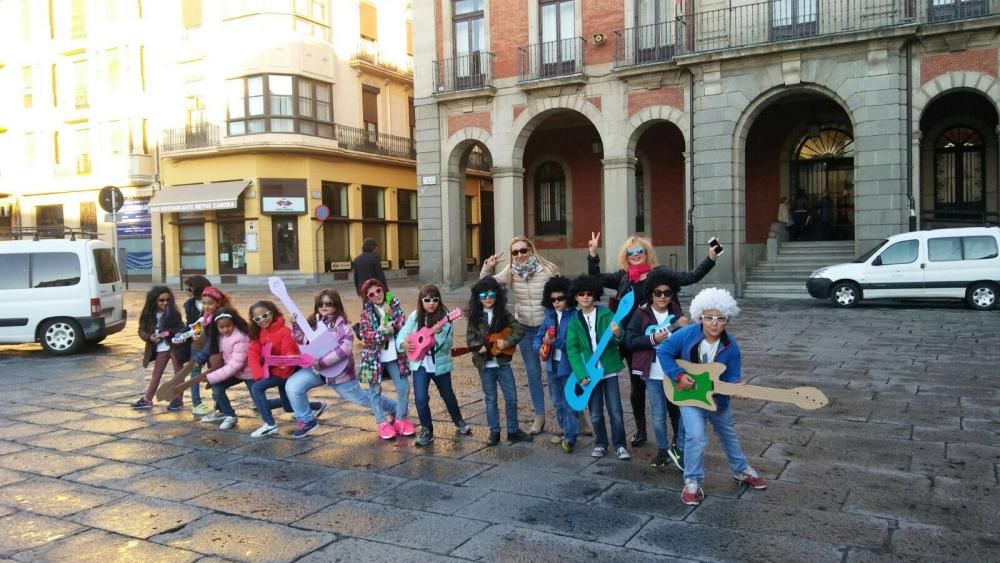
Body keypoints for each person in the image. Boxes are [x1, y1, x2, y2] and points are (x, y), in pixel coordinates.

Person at [587, 232, 717, 447]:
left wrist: (711, 257)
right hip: (635, 340)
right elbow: (595, 279)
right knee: (637, 386)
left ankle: (677, 434)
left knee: (671, 383)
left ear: (647, 253)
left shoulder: (661, 274)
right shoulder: (623, 277)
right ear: (626, 257)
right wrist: (593, 254)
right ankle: (640, 430)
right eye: (631, 252)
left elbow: (691, 276)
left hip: (667, 338)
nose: (636, 255)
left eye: (640, 251)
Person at [656, 288, 767, 506]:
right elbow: (663, 351)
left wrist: (737, 386)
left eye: (720, 318)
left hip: (717, 399)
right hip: (689, 396)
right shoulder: (687, 334)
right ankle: (692, 481)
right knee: (695, 437)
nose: (714, 323)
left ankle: (741, 470)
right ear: (700, 317)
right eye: (709, 318)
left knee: (728, 434)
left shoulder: (731, 347)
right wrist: (678, 375)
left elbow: (733, 376)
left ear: (727, 319)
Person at [285, 289, 397, 439]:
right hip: (315, 369)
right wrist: (296, 326)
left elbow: (344, 349)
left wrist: (323, 363)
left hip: (339, 372)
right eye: (320, 304)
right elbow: (301, 341)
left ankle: (394, 407)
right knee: (293, 386)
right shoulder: (313, 322)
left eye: (329, 303)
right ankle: (307, 420)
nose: (324, 307)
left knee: (360, 398)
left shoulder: (343, 325)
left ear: (336, 305)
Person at [481, 235, 559, 435]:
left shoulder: (548, 270)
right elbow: (485, 286)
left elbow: (562, 296)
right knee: (533, 374)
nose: (520, 255)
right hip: (525, 329)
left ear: (531, 250)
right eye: (515, 252)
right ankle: (539, 417)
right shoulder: (510, 273)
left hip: (548, 328)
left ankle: (575, 415)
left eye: (523, 250)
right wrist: (488, 267)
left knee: (559, 373)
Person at [625, 269, 688, 470]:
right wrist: (652, 339)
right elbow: (629, 339)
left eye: (667, 293)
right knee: (658, 415)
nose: (662, 297)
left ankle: (679, 448)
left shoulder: (677, 313)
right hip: (651, 373)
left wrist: (685, 329)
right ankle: (662, 449)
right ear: (650, 293)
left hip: (674, 372)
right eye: (657, 292)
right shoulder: (641, 313)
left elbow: (688, 344)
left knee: (678, 413)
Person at [566, 274, 630, 461]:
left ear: (595, 295)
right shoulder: (574, 322)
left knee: (616, 410)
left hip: (609, 370)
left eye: (589, 293)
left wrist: (618, 333)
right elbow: (573, 350)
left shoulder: (605, 313)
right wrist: (581, 374)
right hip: (589, 373)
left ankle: (620, 444)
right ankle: (600, 442)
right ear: (576, 297)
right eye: (581, 294)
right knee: (595, 413)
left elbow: (619, 339)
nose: (585, 297)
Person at [397, 284, 470, 446]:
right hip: (420, 364)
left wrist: (439, 334)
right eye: (427, 300)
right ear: (421, 301)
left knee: (448, 395)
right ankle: (426, 429)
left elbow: (447, 344)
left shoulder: (446, 318)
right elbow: (403, 334)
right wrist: (403, 344)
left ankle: (458, 420)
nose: (431, 303)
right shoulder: (415, 316)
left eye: (435, 299)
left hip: (439, 365)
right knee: (420, 398)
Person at [466, 276, 533, 447]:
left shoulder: (503, 314)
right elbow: (470, 340)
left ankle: (513, 430)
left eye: (490, 294)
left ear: (497, 295)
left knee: (511, 398)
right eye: (483, 295)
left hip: (503, 364)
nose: (487, 299)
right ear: (477, 298)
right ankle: (494, 431)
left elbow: (518, 329)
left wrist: (507, 342)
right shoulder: (475, 318)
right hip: (485, 366)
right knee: (490, 399)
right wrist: (477, 347)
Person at [246, 300, 324, 438]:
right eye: (257, 319)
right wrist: (258, 372)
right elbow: (253, 352)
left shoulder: (284, 331)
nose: (262, 320)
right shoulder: (260, 332)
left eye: (265, 315)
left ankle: (269, 425)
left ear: (272, 312)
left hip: (284, 371)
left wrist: (284, 365)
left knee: (257, 388)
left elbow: (290, 352)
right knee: (288, 406)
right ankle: (317, 406)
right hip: (273, 370)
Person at [357, 278, 413, 440]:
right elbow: (366, 336)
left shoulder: (394, 305)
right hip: (374, 358)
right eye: (371, 294)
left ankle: (401, 419)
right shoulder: (366, 313)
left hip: (395, 356)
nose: (376, 295)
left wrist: (392, 318)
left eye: (378, 291)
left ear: (383, 290)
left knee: (403, 387)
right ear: (367, 297)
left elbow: (404, 326)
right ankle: (381, 423)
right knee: (375, 390)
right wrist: (383, 331)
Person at [532, 276, 578, 453]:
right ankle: (565, 430)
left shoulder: (575, 317)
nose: (557, 302)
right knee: (557, 401)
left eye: (560, 298)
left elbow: (573, 346)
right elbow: (538, 337)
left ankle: (571, 436)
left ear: (568, 297)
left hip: (569, 365)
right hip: (552, 365)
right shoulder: (549, 316)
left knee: (569, 402)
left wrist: (554, 342)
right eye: (553, 300)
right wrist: (540, 348)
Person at [131, 286, 185, 410]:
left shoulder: (173, 313)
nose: (165, 303)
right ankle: (147, 399)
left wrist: (168, 333)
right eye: (161, 300)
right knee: (156, 374)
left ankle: (178, 400)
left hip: (174, 346)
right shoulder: (148, 314)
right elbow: (141, 330)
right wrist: (149, 337)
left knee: (179, 374)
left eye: (168, 300)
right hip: (160, 348)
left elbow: (181, 327)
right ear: (154, 300)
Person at [199, 308, 253, 430]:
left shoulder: (241, 337)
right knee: (217, 387)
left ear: (234, 323)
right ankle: (229, 415)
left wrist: (212, 376)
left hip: (249, 373)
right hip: (235, 373)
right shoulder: (220, 337)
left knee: (260, 403)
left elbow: (235, 365)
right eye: (221, 327)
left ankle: (288, 405)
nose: (225, 330)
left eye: (228, 326)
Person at [188, 287, 232, 414]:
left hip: (211, 351)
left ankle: (218, 405)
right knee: (195, 374)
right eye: (204, 303)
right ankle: (196, 403)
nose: (206, 306)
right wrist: (196, 333)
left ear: (218, 303)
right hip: (198, 347)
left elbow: (214, 339)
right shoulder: (206, 315)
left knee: (215, 375)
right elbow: (199, 327)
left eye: (210, 303)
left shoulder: (220, 317)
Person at [179, 275, 214, 416]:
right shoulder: (189, 305)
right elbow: (190, 324)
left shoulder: (214, 301)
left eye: (189, 289)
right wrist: (183, 334)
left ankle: (218, 401)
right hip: (197, 343)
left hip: (213, 343)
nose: (187, 291)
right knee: (195, 372)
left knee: (214, 371)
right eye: (186, 289)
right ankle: (196, 403)